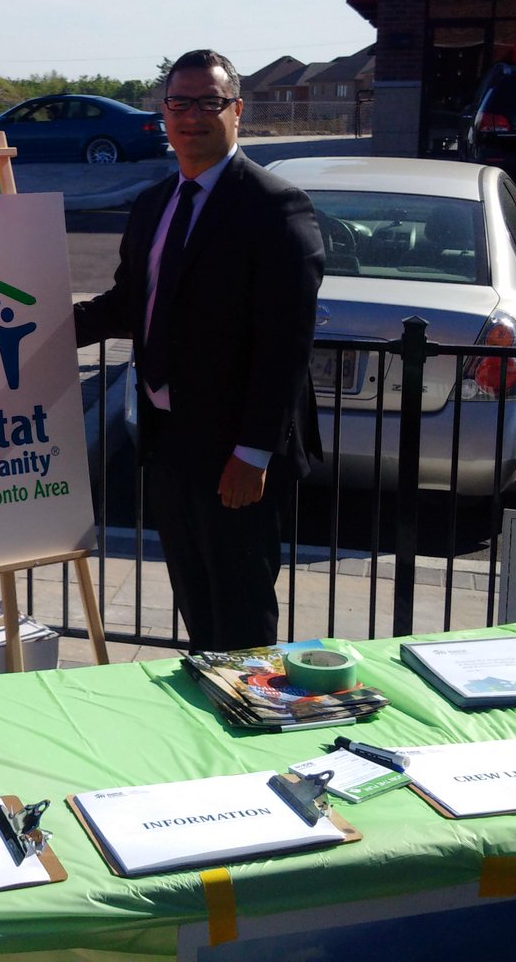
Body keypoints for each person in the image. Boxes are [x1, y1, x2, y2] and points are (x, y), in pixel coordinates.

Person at [75, 49, 324, 652]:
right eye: (178, 103)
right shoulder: (156, 203)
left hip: (234, 454)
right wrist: (38, 329)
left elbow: (285, 345)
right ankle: (211, 729)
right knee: (195, 608)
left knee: (240, 620)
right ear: (164, 114)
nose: (192, 116)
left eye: (208, 103)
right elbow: (128, 302)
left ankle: (247, 731)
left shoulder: (275, 207)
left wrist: (253, 453)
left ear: (236, 111)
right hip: (167, 440)